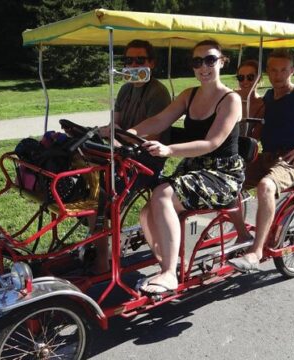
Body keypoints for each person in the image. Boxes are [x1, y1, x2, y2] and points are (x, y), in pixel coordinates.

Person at [128, 40, 244, 294]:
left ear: (222, 61)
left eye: (210, 60)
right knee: (147, 211)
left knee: (163, 195)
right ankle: (167, 267)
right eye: (197, 61)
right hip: (195, 167)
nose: (203, 66)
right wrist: (127, 133)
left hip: (223, 173)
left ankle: (170, 274)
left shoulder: (231, 100)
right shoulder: (188, 94)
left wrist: (169, 150)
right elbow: (159, 120)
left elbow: (211, 143)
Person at [228, 48, 294, 272]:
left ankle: (256, 253)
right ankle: (242, 234)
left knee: (266, 187)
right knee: (228, 182)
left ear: (292, 71)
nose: (278, 75)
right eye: (274, 70)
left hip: (291, 159)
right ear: (267, 72)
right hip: (265, 155)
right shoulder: (269, 96)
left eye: (283, 70)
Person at [93, 40, 171, 274]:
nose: (133, 65)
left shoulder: (158, 92)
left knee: (105, 197)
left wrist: (118, 137)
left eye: (140, 60)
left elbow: (152, 133)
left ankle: (103, 255)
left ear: (152, 63)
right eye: (128, 60)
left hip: (146, 160)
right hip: (122, 154)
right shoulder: (126, 88)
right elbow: (115, 123)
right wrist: (105, 131)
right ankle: (98, 243)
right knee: (86, 183)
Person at [235, 59, 265, 139]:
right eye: (241, 77)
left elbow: (255, 137)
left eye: (250, 77)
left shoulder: (262, 104)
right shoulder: (230, 97)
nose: (245, 81)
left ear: (258, 78)